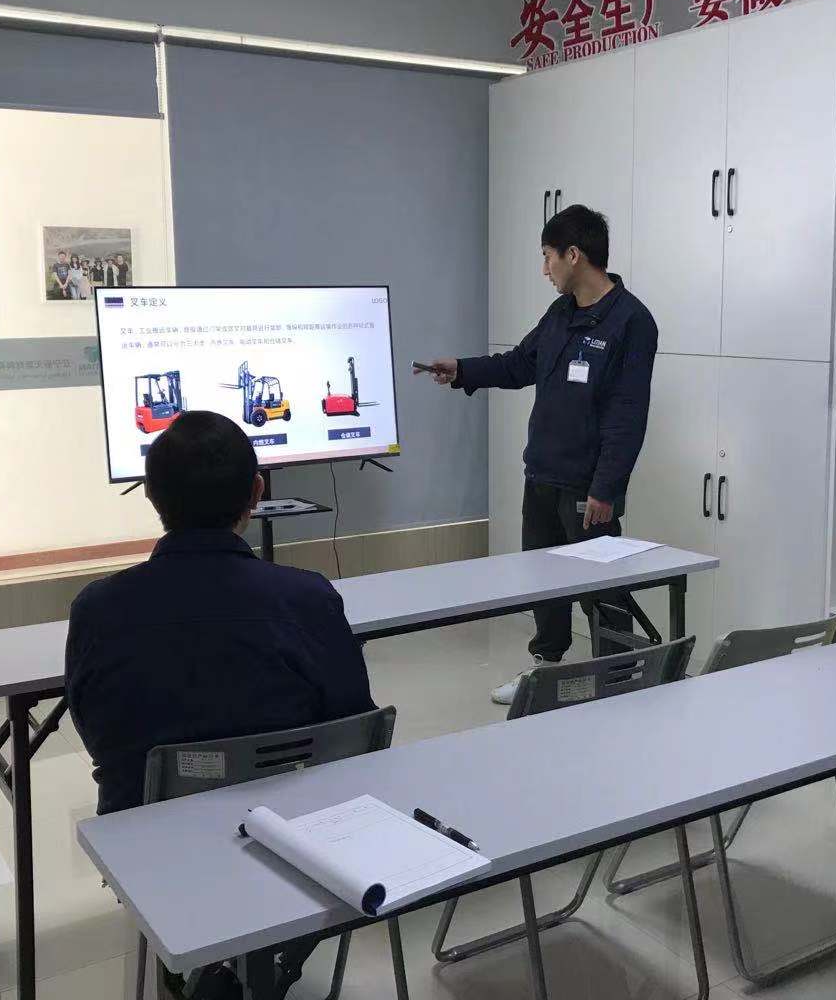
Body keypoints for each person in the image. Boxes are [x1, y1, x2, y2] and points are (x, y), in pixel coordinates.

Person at [66, 411, 375, 998]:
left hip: (149, 840)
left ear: (150, 494)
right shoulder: (309, 598)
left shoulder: (98, 610)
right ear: (256, 493)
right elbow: (355, 726)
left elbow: (98, 732)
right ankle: (263, 964)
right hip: (296, 835)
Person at [416, 204, 659, 703]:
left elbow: (628, 415)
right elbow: (518, 364)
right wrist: (462, 369)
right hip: (543, 473)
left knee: (601, 585)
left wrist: (606, 488)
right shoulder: (560, 313)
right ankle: (546, 669)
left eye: (548, 256)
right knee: (543, 581)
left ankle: (619, 676)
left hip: (588, 485)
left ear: (574, 255)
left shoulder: (631, 321)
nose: (544, 268)